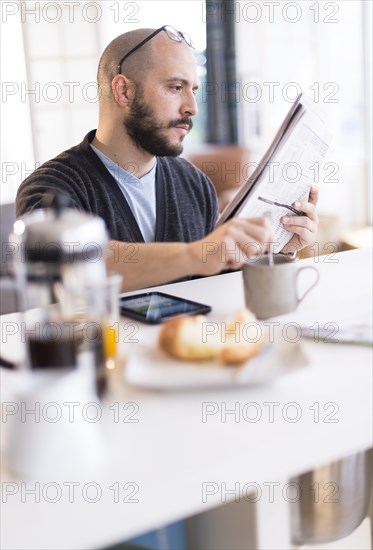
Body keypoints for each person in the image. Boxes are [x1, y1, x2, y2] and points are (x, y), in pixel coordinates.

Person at [16, 26, 319, 291]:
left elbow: (212, 278)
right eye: (175, 88)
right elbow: (71, 264)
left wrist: (281, 250)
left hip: (184, 354)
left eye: (193, 90)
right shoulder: (51, 188)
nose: (192, 108)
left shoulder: (194, 184)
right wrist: (194, 254)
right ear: (124, 91)